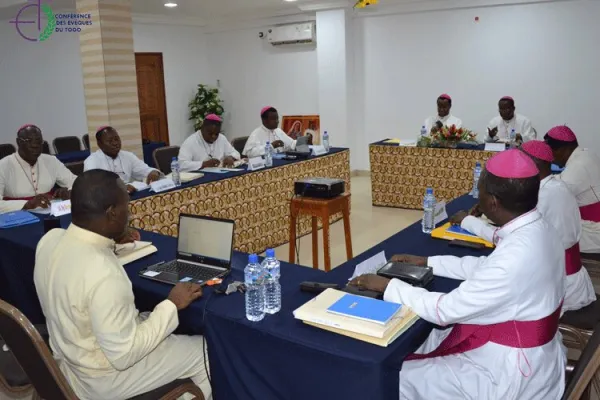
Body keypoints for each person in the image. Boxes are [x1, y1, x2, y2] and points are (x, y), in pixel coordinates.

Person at [350, 149, 565, 400]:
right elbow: (485, 268)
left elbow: (444, 310)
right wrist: (427, 261)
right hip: (532, 353)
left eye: (479, 189)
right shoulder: (540, 228)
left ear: (493, 203)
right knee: (427, 340)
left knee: (396, 376)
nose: (477, 195)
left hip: (507, 374)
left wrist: (388, 286)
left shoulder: (515, 255)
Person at [34, 170, 211, 400]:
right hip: (102, 380)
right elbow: (124, 355)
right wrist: (171, 304)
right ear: (112, 214)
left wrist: (112, 239)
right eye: (127, 208)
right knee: (205, 352)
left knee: (155, 322)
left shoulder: (50, 240)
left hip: (68, 362)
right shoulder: (104, 273)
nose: (129, 215)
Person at [451, 140, 595, 312]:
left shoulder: (543, 195)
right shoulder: (557, 185)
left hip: (558, 290)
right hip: (570, 279)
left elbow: (503, 237)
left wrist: (468, 221)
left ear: (534, 165)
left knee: (480, 302)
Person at [545, 125, 600, 253]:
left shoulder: (578, 166)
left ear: (564, 149)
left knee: (550, 234)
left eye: (552, 152)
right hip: (589, 223)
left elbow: (555, 193)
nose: (551, 157)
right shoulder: (586, 154)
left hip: (592, 231)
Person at [0, 124, 76, 213]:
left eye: (38, 141)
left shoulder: (51, 161)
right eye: (29, 140)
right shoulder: (3, 165)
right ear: (18, 142)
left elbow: (76, 181)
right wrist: (27, 204)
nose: (35, 145)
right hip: (15, 216)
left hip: (49, 212)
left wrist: (69, 191)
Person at [84, 126, 162, 194]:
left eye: (116, 139)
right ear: (99, 144)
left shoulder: (128, 156)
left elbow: (145, 170)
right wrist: (120, 188)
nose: (115, 143)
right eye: (110, 141)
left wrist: (153, 172)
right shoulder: (92, 162)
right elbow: (94, 188)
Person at [243, 106, 309, 158]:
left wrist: (304, 141)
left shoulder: (278, 131)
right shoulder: (256, 134)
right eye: (273, 119)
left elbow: (291, 144)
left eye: (277, 118)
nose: (277, 121)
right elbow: (249, 153)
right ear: (264, 120)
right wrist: (271, 145)